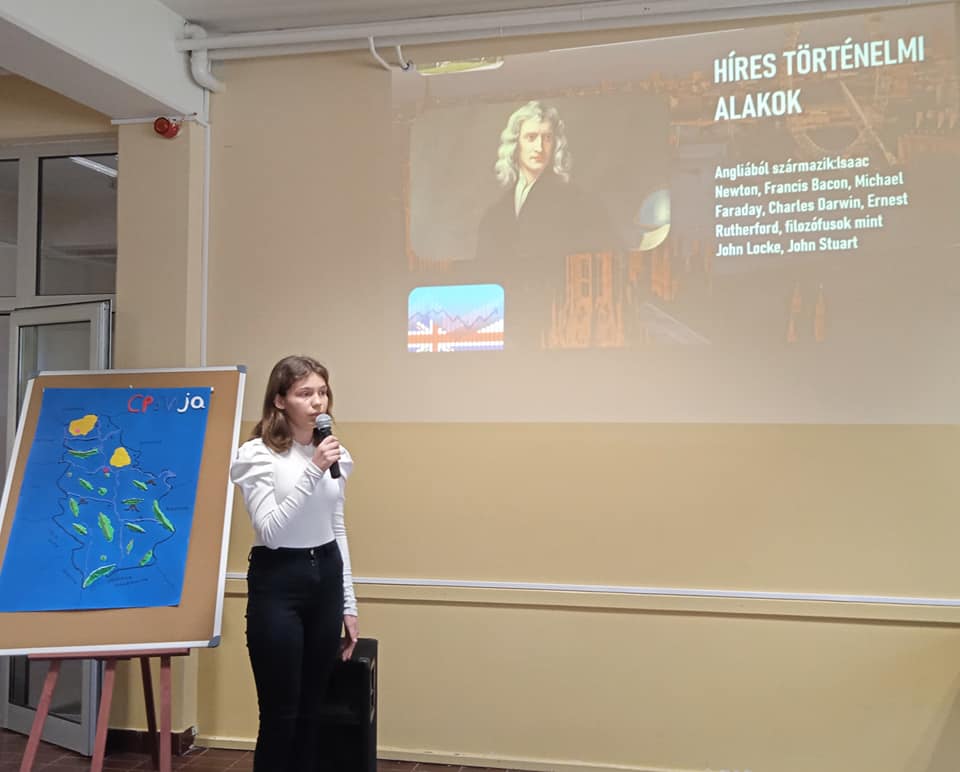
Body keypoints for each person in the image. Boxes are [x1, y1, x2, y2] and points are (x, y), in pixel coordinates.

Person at [229, 355, 359, 772]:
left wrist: (349, 602)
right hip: (279, 579)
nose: (318, 402)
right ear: (280, 400)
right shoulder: (258, 454)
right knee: (280, 713)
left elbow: (336, 525)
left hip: (326, 575)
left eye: (322, 392)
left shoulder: (335, 453)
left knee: (312, 710)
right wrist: (313, 470)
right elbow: (270, 531)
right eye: (305, 393)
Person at [474, 100, 621, 346]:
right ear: (516, 144)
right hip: (505, 326)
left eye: (547, 138)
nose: (539, 147)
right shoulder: (495, 214)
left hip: (555, 325)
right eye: (531, 137)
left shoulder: (578, 203)